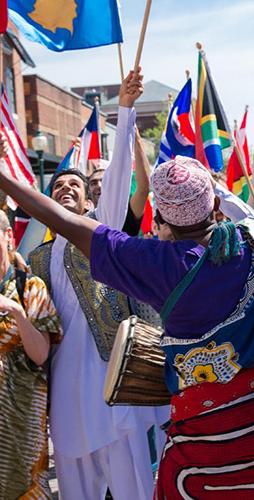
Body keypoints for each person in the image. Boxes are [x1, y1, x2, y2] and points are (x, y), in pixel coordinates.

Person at [0, 155, 254, 498]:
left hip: (197, 446)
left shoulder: (156, 264)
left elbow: (63, 221)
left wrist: (3, 179)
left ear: (162, 216)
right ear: (213, 204)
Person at [20, 70, 159, 499]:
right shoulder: (36, 261)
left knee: (132, 484)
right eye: (56, 185)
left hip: (113, 383)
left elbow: (121, 180)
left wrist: (127, 109)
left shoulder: (104, 232)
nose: (64, 189)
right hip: (64, 391)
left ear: (88, 200)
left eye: (73, 185)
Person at [0, 209, 62, 498]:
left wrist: (15, 311)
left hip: (20, 420)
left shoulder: (30, 288)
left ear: (9, 237)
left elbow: (40, 355)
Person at [88, 127, 151, 237]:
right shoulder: (84, 219)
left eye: (104, 181)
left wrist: (136, 140)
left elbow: (143, 188)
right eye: (93, 183)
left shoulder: (126, 213)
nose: (99, 186)